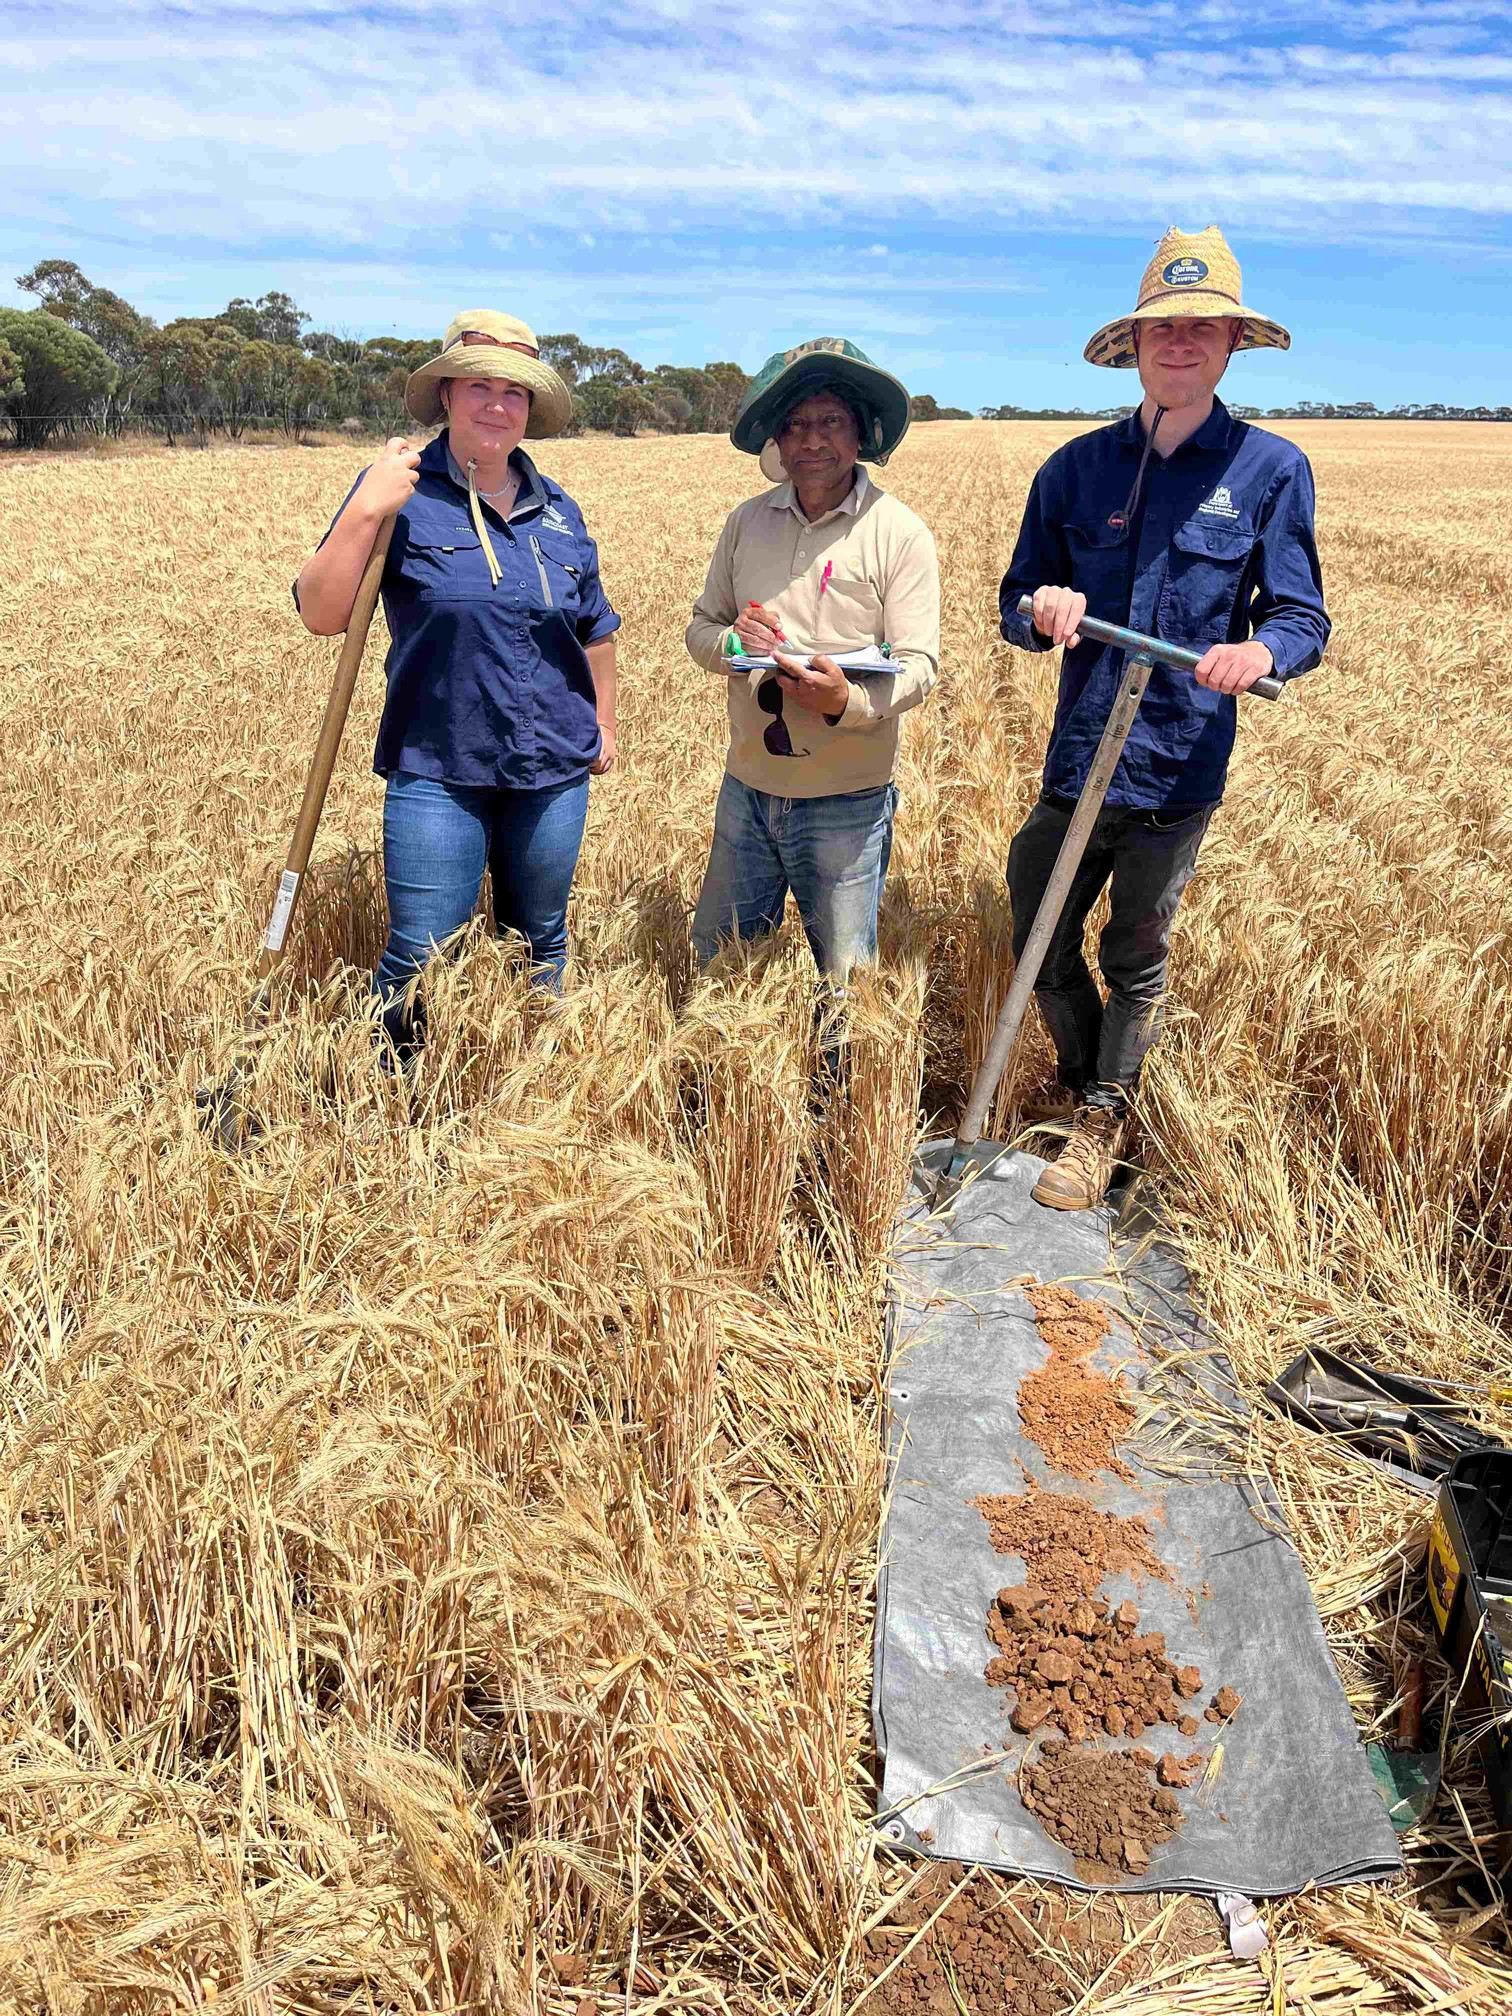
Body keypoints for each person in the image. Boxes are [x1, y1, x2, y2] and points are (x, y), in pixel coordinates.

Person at [998, 226, 1329, 1210]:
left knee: (1132, 950)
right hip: (1081, 752)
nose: (1180, 343)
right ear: (1135, 349)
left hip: (1179, 767)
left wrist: (1265, 651)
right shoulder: (1074, 469)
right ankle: (1086, 1079)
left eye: (1202, 328)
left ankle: (1102, 1115)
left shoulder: (1270, 469)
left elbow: (1300, 611)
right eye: (1162, 329)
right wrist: (1043, 605)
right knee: (1035, 923)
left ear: (1231, 347)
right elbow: (1017, 597)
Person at [294, 310, 620, 1056]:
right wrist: (367, 508)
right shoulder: (400, 493)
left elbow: (595, 628)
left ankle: (531, 1094)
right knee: (419, 958)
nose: (496, 405)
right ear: (446, 395)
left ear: (530, 410)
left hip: (552, 772)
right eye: (479, 386)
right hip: (437, 768)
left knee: (540, 944)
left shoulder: (560, 513)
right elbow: (321, 612)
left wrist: (604, 722)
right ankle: (394, 1101)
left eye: (515, 391)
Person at [685, 338, 939, 980]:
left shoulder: (898, 532)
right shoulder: (746, 523)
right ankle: (728, 1085)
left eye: (830, 422)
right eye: (795, 424)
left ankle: (837, 1084)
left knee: (847, 983)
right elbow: (702, 629)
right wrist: (737, 644)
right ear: (777, 441)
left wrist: (845, 702)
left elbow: (919, 664)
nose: (812, 440)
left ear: (860, 434)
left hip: (847, 798)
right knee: (721, 968)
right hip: (747, 788)